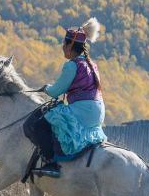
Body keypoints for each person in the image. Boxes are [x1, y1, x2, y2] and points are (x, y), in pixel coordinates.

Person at [27, 18, 108, 177]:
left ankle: (52, 163)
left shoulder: (72, 65)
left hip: (82, 110)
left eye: (64, 43)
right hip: (98, 111)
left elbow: (56, 91)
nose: (62, 47)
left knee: (41, 123)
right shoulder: (91, 64)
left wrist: (46, 88)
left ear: (70, 46)